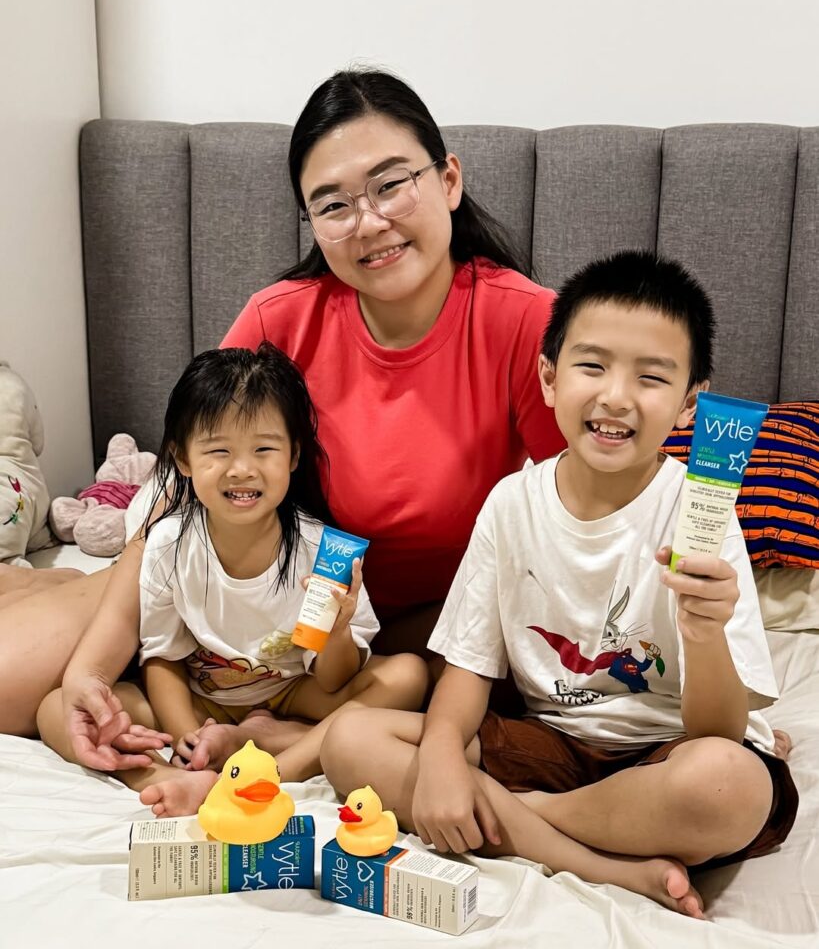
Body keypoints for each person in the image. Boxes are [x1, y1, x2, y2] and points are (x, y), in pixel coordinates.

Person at [0, 68, 563, 754]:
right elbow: (178, 500)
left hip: (419, 621)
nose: (369, 223)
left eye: (391, 184)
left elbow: (588, 506)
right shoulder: (280, 321)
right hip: (248, 592)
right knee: (16, 688)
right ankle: (49, 588)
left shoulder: (526, 322)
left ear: (448, 180)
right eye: (333, 205)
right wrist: (91, 667)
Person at [320, 250, 799, 918]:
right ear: (548, 377)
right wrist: (441, 758)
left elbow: (717, 731)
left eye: (651, 377)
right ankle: (602, 861)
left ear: (689, 403)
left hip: (666, 752)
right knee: (350, 740)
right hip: (547, 741)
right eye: (592, 365)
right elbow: (468, 664)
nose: (615, 396)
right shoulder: (511, 503)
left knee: (726, 786)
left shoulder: (699, 515)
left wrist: (704, 632)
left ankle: (527, 822)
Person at [37, 345, 427, 818]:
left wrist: (338, 632)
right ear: (182, 458)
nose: (242, 469)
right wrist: (188, 738)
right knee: (57, 708)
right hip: (204, 699)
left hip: (292, 694)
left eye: (263, 449)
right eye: (219, 450)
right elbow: (163, 657)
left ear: (293, 455)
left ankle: (274, 767)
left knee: (407, 674)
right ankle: (168, 778)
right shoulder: (168, 544)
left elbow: (333, 678)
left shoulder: (322, 551)